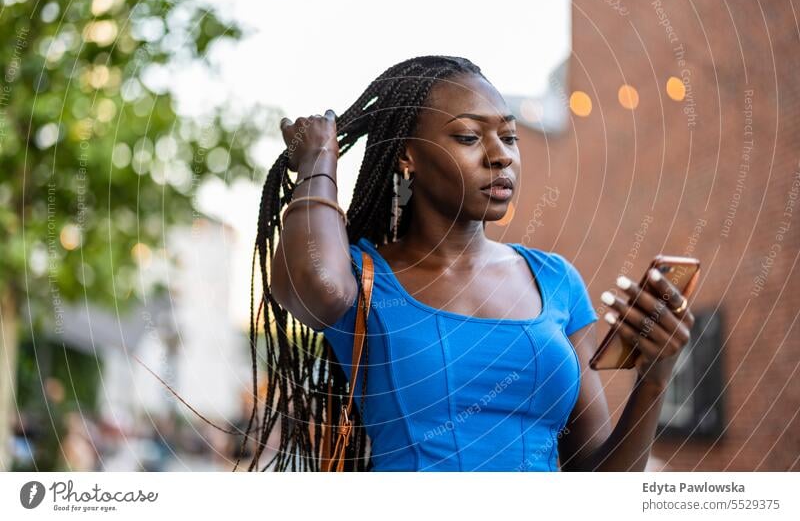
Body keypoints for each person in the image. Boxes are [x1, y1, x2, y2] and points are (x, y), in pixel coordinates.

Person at [242, 55, 695, 472]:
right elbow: (313, 285)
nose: (501, 155)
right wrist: (317, 163)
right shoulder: (359, 279)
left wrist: (654, 378)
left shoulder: (556, 281)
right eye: (468, 137)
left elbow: (594, 481)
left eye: (510, 136)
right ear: (407, 156)